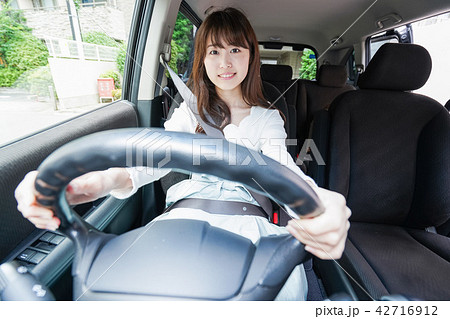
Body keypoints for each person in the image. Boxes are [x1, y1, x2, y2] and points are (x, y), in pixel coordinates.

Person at [15, 7, 350, 300]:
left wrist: (318, 201)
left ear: (252, 55)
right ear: (202, 59)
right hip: (179, 220)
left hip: (252, 227)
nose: (226, 63)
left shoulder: (267, 118)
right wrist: (99, 180)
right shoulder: (189, 113)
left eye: (236, 49)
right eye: (214, 52)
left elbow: (284, 168)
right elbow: (147, 163)